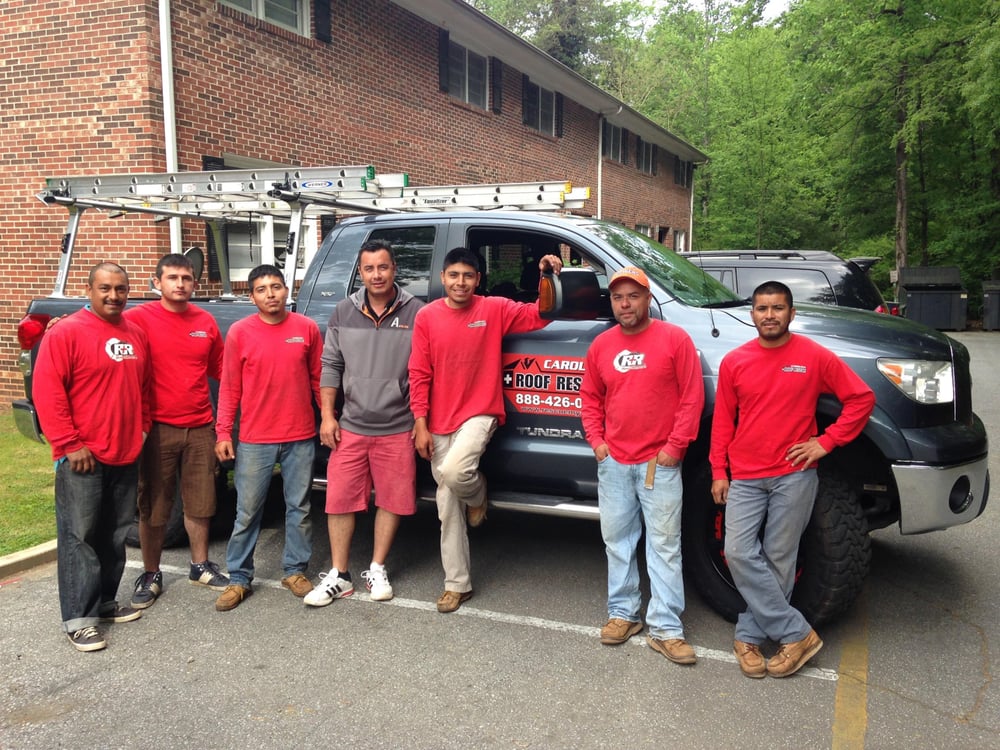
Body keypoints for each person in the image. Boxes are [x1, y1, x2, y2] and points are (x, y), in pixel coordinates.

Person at [710, 280, 875, 678]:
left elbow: (861, 399)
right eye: (762, 308)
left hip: (794, 474)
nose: (770, 315)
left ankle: (748, 636)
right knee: (738, 551)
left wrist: (826, 442)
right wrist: (719, 470)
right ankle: (796, 633)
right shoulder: (735, 361)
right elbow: (722, 421)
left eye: (777, 308)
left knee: (779, 558)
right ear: (752, 314)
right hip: (746, 475)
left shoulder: (814, 357)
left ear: (791, 313)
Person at [409, 247, 563, 613]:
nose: (460, 282)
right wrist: (420, 423)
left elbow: (541, 315)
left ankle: (478, 496)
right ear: (443, 278)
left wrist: (548, 275)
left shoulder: (493, 308)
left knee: (454, 473)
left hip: (481, 411)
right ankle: (457, 584)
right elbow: (419, 373)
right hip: (438, 419)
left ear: (478, 280)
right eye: (454, 275)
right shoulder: (427, 317)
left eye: (468, 276)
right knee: (447, 505)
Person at [580, 266, 705, 665]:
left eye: (633, 296)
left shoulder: (674, 339)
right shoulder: (601, 345)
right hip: (614, 461)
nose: (625, 304)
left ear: (648, 298)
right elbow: (590, 399)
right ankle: (623, 613)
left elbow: (692, 397)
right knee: (617, 543)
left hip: (659, 463)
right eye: (618, 297)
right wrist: (599, 444)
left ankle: (666, 628)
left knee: (664, 546)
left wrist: (675, 446)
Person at [33, 262, 152, 652]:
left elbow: (144, 388)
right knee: (79, 537)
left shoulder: (134, 333)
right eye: (105, 288)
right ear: (89, 289)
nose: (113, 296)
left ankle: (103, 602)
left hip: (125, 451)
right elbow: (48, 392)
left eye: (120, 288)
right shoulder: (66, 333)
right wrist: (68, 443)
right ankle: (79, 619)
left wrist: (143, 428)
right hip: (83, 456)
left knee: (114, 534)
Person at [304, 240, 424, 607]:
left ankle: (376, 567)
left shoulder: (418, 312)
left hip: (398, 426)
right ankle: (339, 576)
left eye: (383, 267)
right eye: (369, 268)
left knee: (391, 500)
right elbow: (331, 366)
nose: (376, 275)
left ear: (394, 269)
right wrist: (327, 415)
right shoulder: (343, 311)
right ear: (360, 272)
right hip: (351, 426)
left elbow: (422, 371)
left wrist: (420, 421)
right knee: (339, 501)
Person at [213, 264, 323, 611]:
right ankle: (239, 578)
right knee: (247, 512)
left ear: (286, 290)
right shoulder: (240, 333)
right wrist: (223, 432)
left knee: (299, 508)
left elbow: (319, 380)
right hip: (255, 439)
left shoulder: (306, 329)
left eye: (276, 286)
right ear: (252, 296)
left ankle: (294, 570)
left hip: (300, 436)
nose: (271, 294)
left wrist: (329, 418)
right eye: (262, 289)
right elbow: (230, 387)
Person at [127, 253, 229, 609]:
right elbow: (99, 328)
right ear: (157, 283)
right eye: (172, 278)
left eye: (186, 278)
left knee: (201, 501)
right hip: (158, 428)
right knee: (154, 504)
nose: (180, 284)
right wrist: (60, 325)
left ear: (194, 284)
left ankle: (199, 565)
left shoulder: (205, 321)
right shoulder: (136, 319)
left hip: (201, 425)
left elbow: (224, 370)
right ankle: (151, 572)